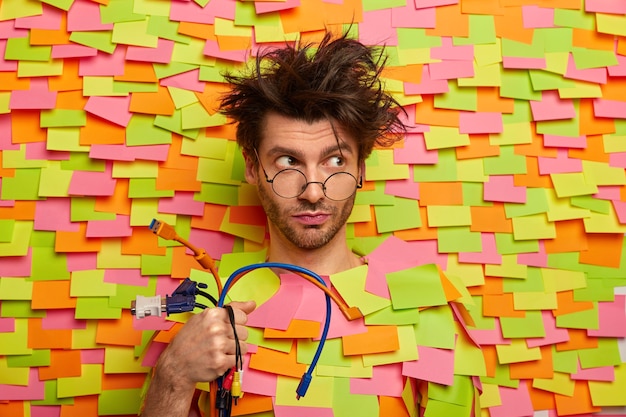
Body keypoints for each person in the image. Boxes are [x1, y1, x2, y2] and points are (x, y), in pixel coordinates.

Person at [141, 30, 482, 417]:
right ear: (253, 167)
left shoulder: (427, 306)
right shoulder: (204, 305)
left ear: (361, 169)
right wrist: (173, 376)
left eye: (335, 161)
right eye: (288, 162)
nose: (314, 192)